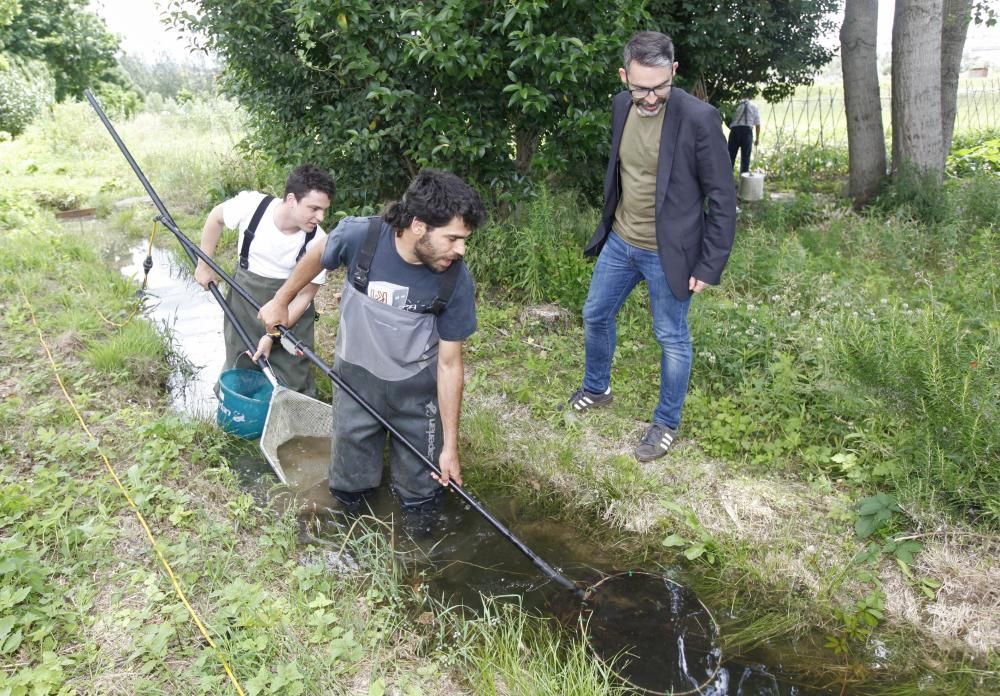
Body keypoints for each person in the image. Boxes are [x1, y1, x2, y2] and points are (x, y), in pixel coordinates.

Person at [259, 169, 486, 514]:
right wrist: (281, 300)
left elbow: (450, 363)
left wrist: (449, 447)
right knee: (350, 488)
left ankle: (417, 554)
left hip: (416, 397)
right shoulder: (361, 236)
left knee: (421, 496)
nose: (461, 249)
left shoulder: (456, 281)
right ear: (419, 226)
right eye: (453, 238)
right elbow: (321, 252)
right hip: (354, 384)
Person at [567, 31, 737, 462]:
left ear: (673, 72)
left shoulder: (699, 118)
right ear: (625, 76)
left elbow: (722, 198)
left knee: (671, 337)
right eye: (640, 87)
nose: (649, 97)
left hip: (671, 253)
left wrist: (709, 263)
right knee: (595, 314)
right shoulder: (620, 104)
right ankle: (597, 388)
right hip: (622, 241)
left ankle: (665, 423)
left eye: (660, 86)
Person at [194, 164, 335, 397]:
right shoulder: (251, 206)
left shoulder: (318, 243)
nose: (320, 217)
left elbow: (305, 296)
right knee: (241, 363)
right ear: (291, 199)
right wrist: (203, 264)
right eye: (314, 208)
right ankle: (241, 413)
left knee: (291, 381)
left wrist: (273, 334)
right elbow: (215, 219)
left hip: (290, 316)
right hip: (244, 304)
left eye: (324, 210)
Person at [727, 96, 761, 174]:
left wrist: (731, 127)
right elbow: (758, 124)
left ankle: (727, 179)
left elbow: (728, 118)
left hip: (735, 130)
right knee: (745, 158)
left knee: (730, 156)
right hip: (747, 131)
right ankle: (744, 180)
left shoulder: (736, 105)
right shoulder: (754, 106)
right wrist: (757, 138)